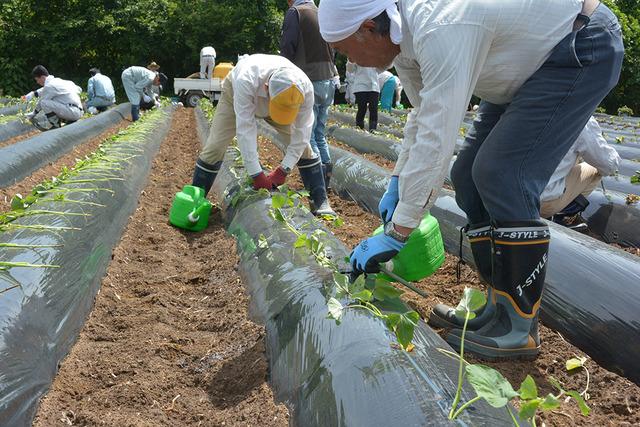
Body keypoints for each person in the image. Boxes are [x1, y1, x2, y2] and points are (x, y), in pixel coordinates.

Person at [319, 0, 623, 360]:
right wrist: (397, 181)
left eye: (344, 50)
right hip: (528, 63)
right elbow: (423, 114)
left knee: (502, 173)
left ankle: (518, 325)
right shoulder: (401, 46)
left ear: (369, 28)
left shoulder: (438, 27)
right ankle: (495, 308)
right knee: (466, 175)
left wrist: (399, 230)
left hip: (581, 41)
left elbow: (438, 136)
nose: (349, 63)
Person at [190, 54, 335, 216]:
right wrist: (256, 174)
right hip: (234, 94)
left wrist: (284, 169)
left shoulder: (304, 88)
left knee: (306, 149)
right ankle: (194, 201)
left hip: (279, 100)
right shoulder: (246, 80)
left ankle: (320, 202)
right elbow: (245, 129)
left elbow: (302, 135)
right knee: (215, 146)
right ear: (266, 88)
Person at [280, 0, 339, 190]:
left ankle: (316, 182)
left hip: (308, 79)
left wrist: (282, 74)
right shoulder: (319, 11)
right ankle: (326, 176)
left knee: (308, 134)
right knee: (320, 134)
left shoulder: (296, 12)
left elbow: (288, 46)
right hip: (329, 78)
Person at [540, 116, 620, 227]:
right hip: (537, 203)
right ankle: (561, 216)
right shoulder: (581, 116)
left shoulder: (523, 106)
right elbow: (609, 165)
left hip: (509, 197)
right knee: (594, 169)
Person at [22, 65, 83, 130]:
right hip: (78, 111)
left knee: (44, 103)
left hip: (72, 112)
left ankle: (55, 125)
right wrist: (33, 93)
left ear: (42, 77)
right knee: (54, 100)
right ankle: (67, 120)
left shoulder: (49, 86)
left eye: (37, 80)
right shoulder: (58, 81)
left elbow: (42, 100)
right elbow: (79, 89)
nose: (37, 82)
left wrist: (34, 113)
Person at [348, 61, 379, 131]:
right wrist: (350, 61)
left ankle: (373, 129)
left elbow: (383, 68)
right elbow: (350, 70)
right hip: (360, 86)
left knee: (374, 108)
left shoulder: (376, 53)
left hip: (374, 85)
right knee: (362, 108)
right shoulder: (357, 53)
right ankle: (359, 128)